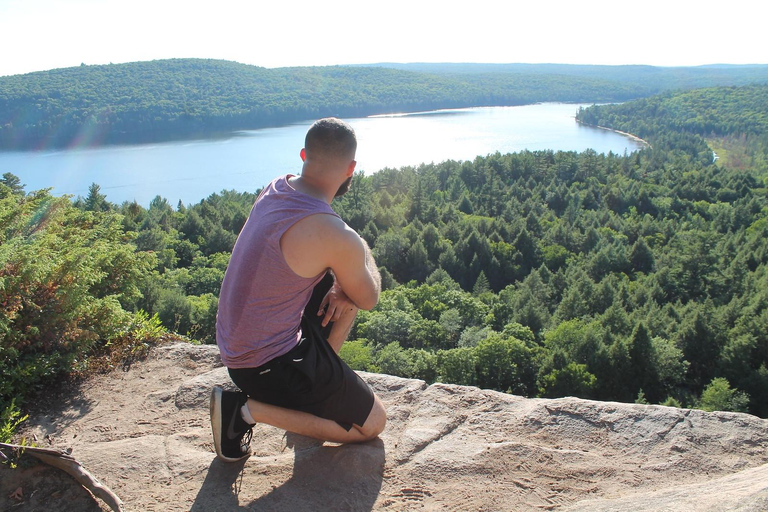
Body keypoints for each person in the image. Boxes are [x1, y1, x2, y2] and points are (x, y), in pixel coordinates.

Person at [210, 117, 386, 462]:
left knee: (341, 291)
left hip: (236, 343)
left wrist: (339, 276)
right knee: (372, 424)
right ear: (351, 169)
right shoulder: (336, 234)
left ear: (304, 155)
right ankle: (243, 410)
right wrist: (358, 244)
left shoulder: (278, 186)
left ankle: (311, 400)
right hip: (264, 365)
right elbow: (370, 297)